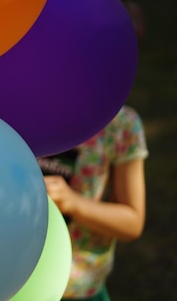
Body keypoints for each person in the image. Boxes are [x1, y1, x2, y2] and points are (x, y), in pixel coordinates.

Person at [40, 106, 148, 301]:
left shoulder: (120, 125)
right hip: (13, 281)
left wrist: (73, 203)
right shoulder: (21, 108)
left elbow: (133, 222)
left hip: (78, 289)